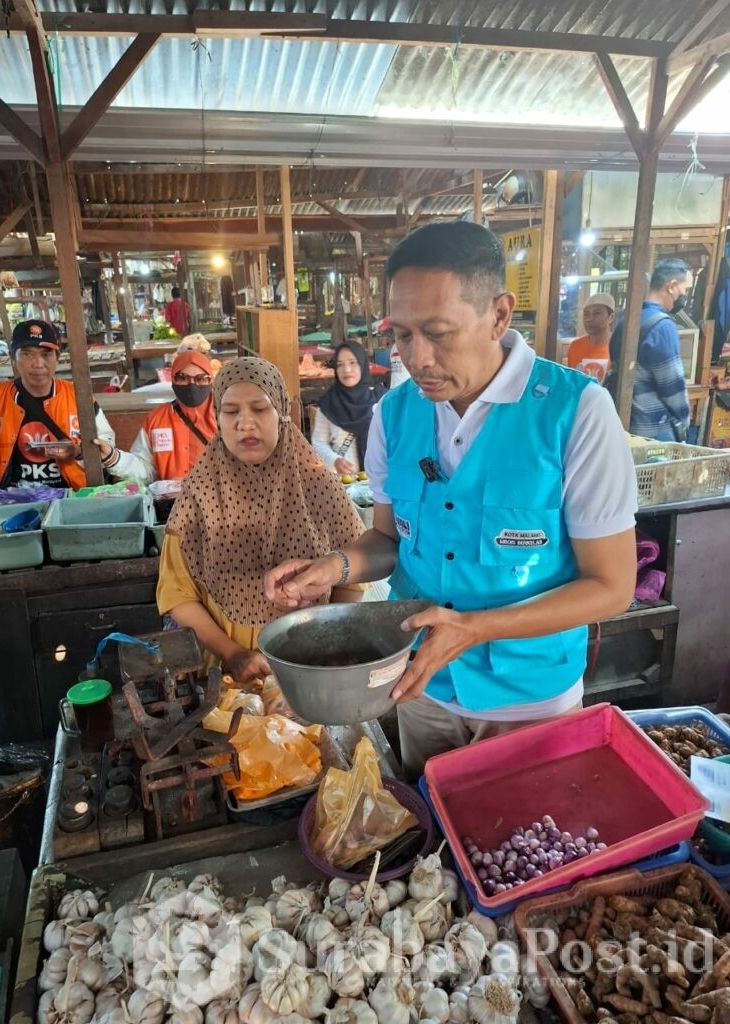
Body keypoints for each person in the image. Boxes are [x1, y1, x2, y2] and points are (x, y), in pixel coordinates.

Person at [265, 221, 638, 779]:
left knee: (524, 850)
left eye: (438, 332)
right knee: (431, 847)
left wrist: (478, 627)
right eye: (403, 335)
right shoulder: (396, 413)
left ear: (500, 315)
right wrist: (337, 565)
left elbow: (612, 588)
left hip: (528, 703)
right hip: (421, 687)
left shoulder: (575, 413)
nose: (418, 358)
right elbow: (390, 541)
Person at [157, 357, 366, 681]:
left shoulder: (318, 486)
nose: (245, 423)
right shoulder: (199, 494)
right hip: (223, 675)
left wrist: (327, 643)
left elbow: (354, 574)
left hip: (307, 670)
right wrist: (233, 654)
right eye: (230, 411)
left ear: (281, 412)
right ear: (218, 417)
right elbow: (177, 595)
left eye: (259, 408)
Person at [0, 319, 115, 491]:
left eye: (46, 354)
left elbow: (106, 439)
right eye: (27, 354)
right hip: (12, 496)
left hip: (71, 494)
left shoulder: (78, 395)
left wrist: (79, 453)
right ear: (13, 358)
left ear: (57, 358)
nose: (38, 364)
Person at [94, 350, 217, 484]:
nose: (192, 385)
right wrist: (113, 457)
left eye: (200, 378)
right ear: (173, 380)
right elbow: (146, 469)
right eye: (182, 377)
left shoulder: (225, 417)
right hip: (172, 502)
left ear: (211, 380)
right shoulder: (157, 420)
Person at [610, 258, 692, 441]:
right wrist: (684, 420)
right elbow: (673, 387)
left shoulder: (625, 321)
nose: (684, 296)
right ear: (671, 286)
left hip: (620, 424)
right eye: (685, 289)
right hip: (652, 431)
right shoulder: (663, 327)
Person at [311, 340, 384, 475]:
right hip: (344, 486)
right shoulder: (328, 404)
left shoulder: (381, 400)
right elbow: (318, 443)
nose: (347, 370)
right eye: (340, 365)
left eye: (352, 362)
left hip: (380, 482)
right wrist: (335, 460)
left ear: (362, 364)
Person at [566, 293, 615, 382]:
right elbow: (571, 381)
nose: (590, 319)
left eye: (597, 313)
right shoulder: (575, 346)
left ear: (611, 317)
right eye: (586, 314)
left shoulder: (618, 347)